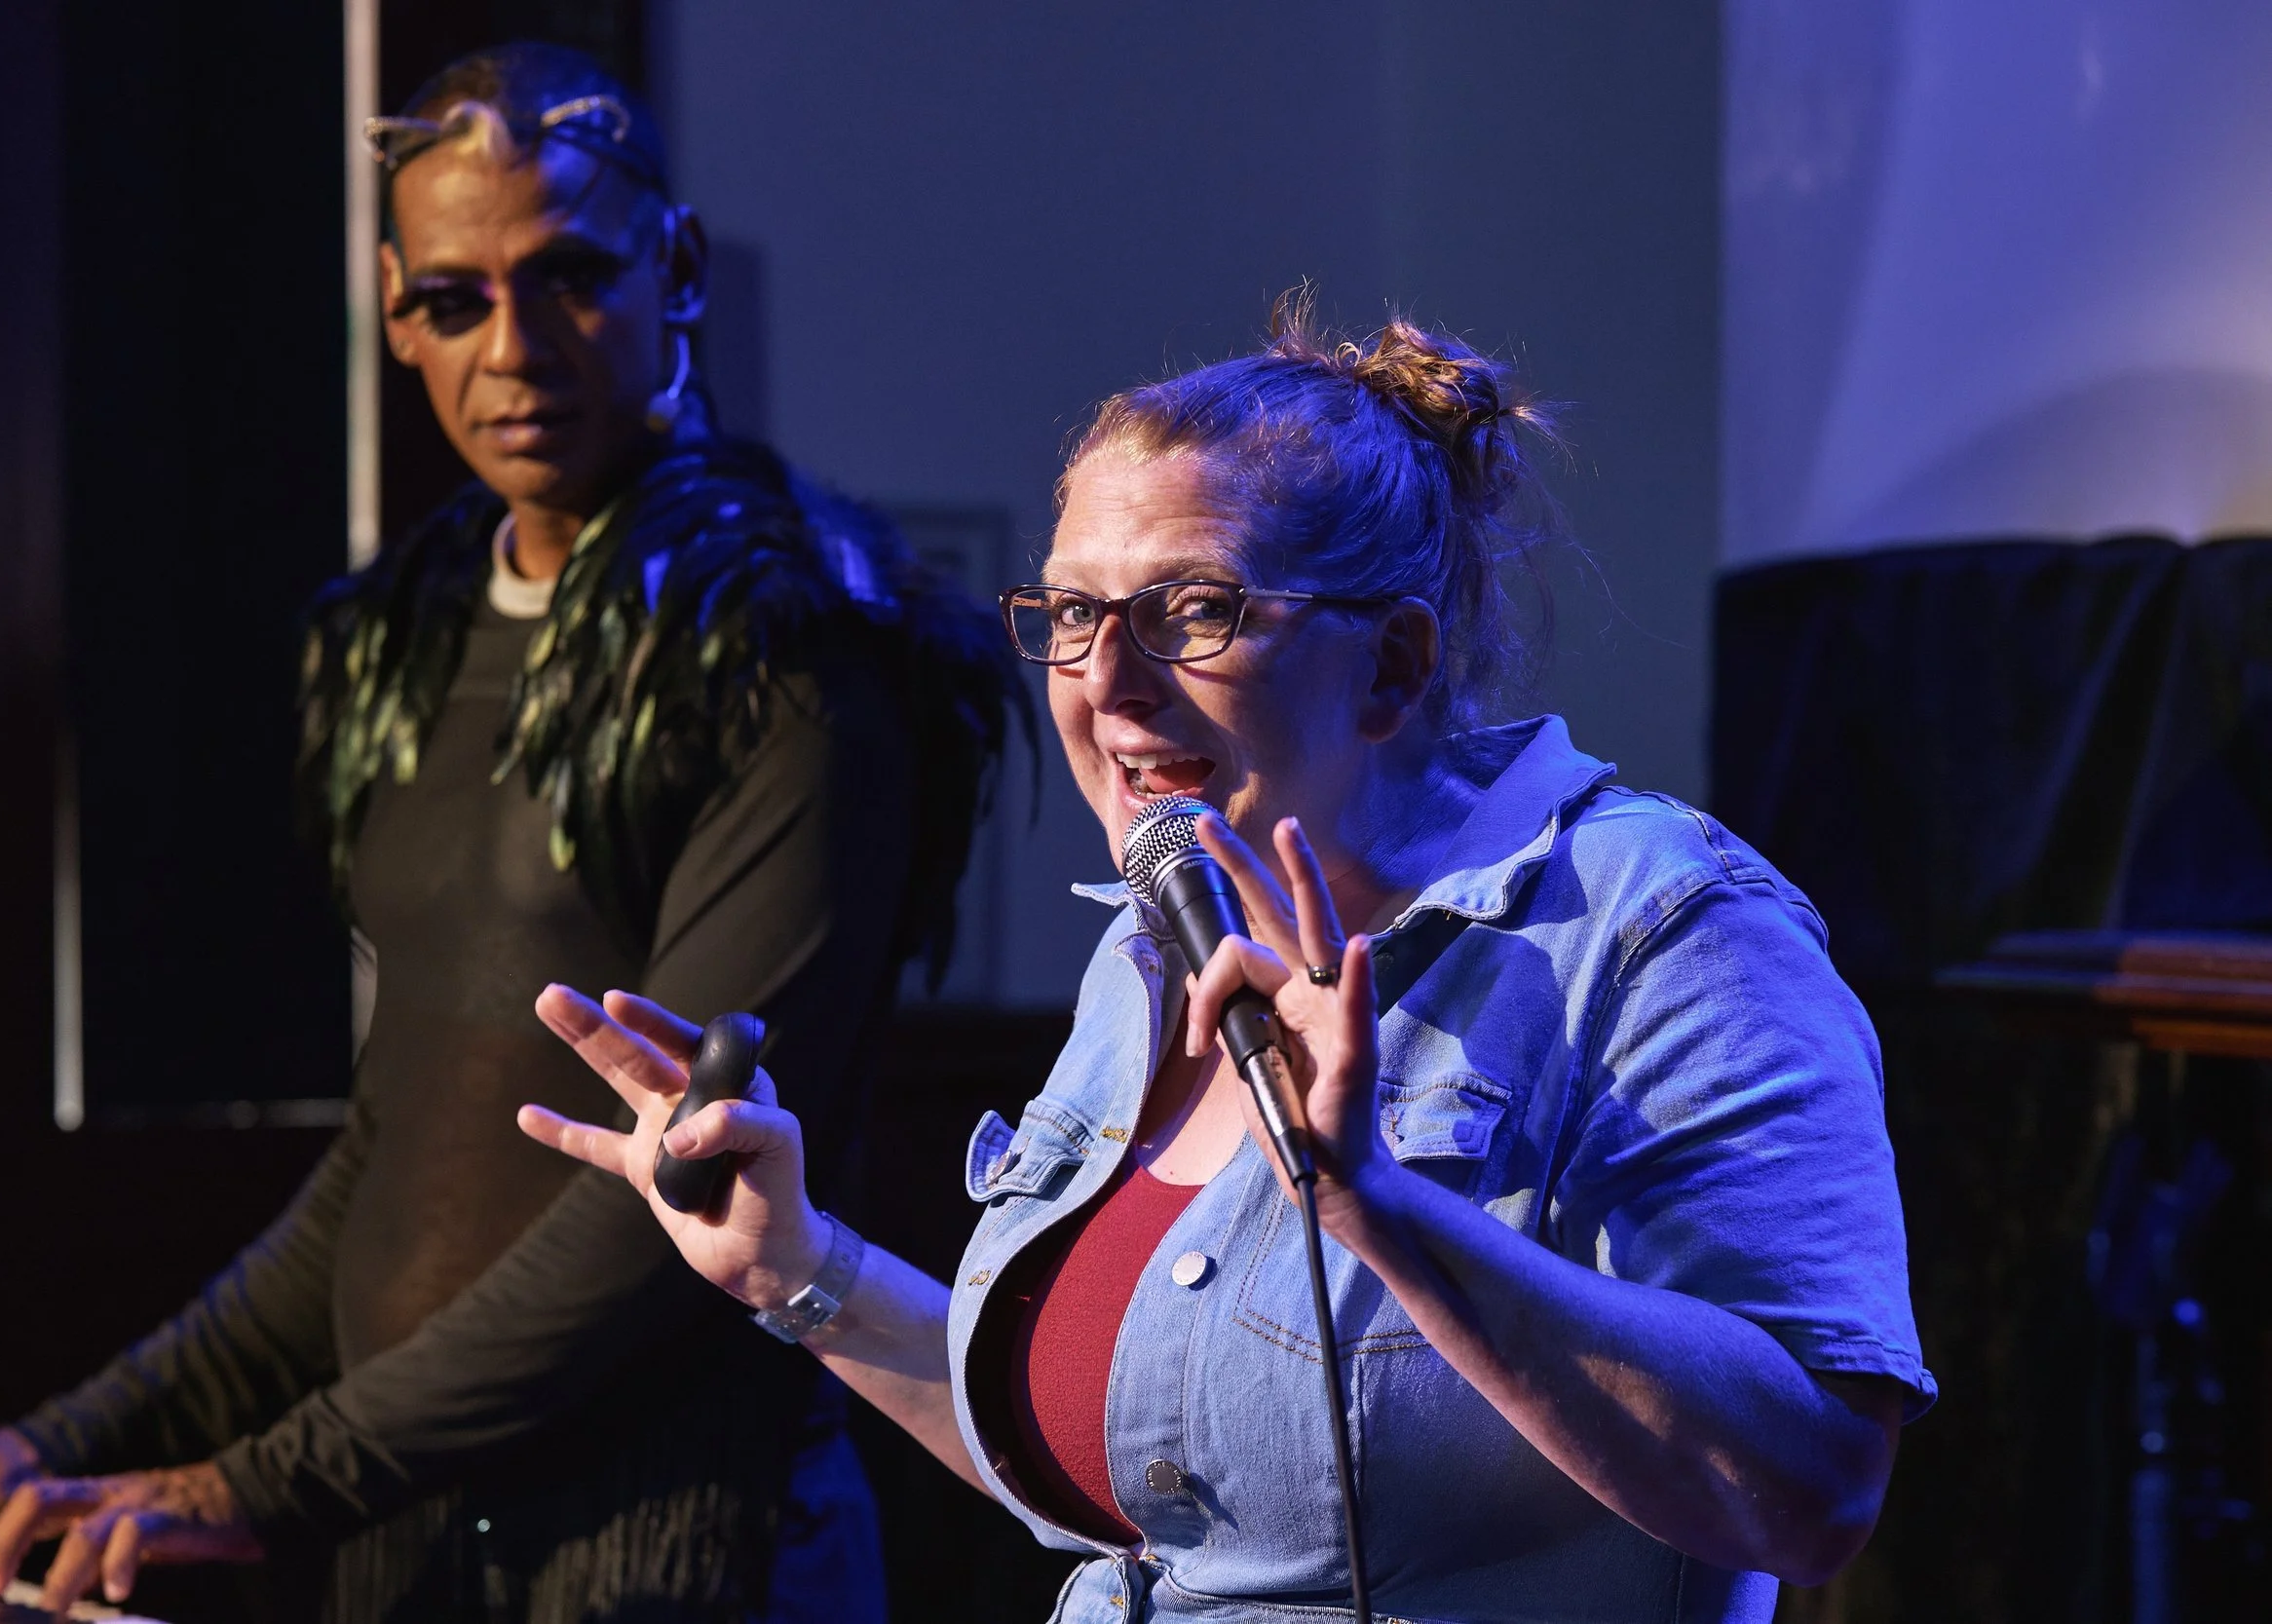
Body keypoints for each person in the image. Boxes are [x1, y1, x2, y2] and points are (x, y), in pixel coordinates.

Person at [519, 297, 1937, 1623]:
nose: (1107, 683)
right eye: (1073, 615)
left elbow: (1815, 1489)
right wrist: (797, 1267)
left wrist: (1385, 1209)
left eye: (1194, 611)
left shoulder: (1661, 930)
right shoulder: (1153, 944)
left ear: (1392, 664)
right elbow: (1161, 1493)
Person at [0, 42, 1018, 1622]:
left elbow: (678, 1202)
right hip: (416, 1548)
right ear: (396, 312)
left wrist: (261, 1482)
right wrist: (61, 1442)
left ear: (675, 271)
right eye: (457, 299)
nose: (514, 348)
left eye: (571, 276)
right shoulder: (406, 639)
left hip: (685, 1557)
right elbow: (396, 1166)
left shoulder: (793, 651)